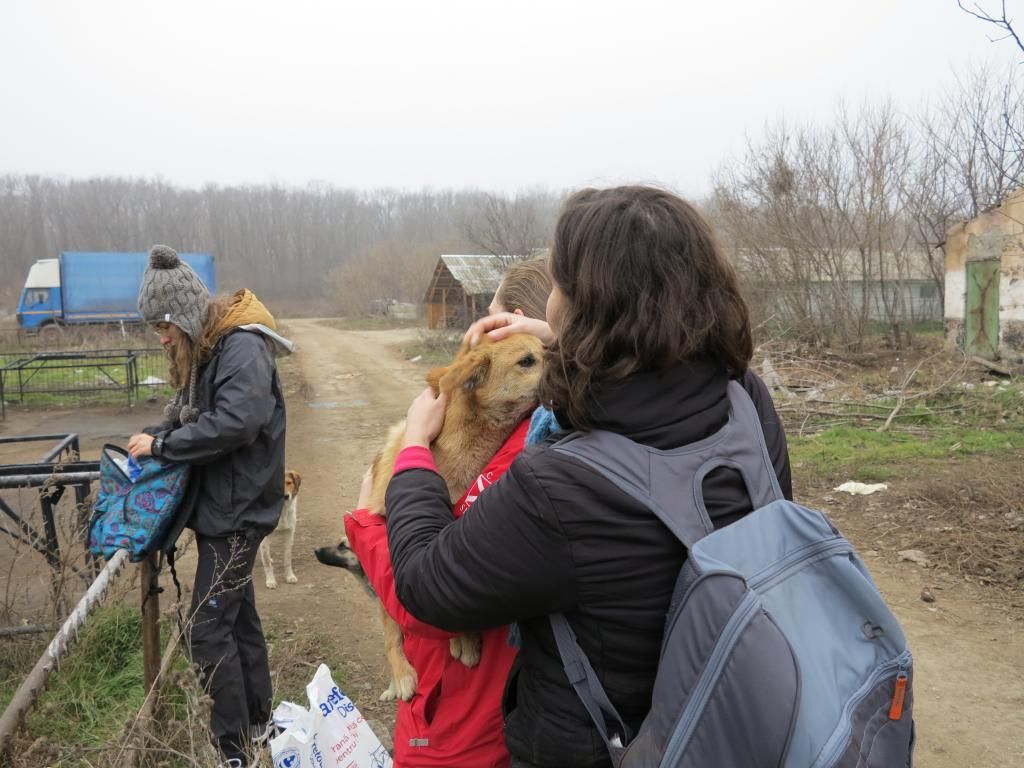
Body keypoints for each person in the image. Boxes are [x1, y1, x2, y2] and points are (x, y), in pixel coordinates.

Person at [384, 186, 793, 768]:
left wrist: (415, 455)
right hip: (739, 719)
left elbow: (427, 586)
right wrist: (565, 341)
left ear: (586, 304)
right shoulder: (745, 400)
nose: (548, 302)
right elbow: (649, 388)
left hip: (609, 748)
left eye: (558, 286)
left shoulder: (560, 485)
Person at [340, 260, 552, 768]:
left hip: (468, 727)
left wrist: (368, 528)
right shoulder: (551, 431)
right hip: (467, 708)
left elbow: (428, 596)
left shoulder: (530, 456)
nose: (480, 329)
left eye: (494, 317)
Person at [126, 244, 290, 768]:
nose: (161, 337)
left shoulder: (240, 348)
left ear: (184, 314)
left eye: (163, 325)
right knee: (237, 617)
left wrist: (165, 448)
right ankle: (259, 725)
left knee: (208, 626)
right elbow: (195, 412)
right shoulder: (212, 349)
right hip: (230, 503)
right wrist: (156, 434)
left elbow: (237, 422)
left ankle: (232, 749)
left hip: (238, 509)